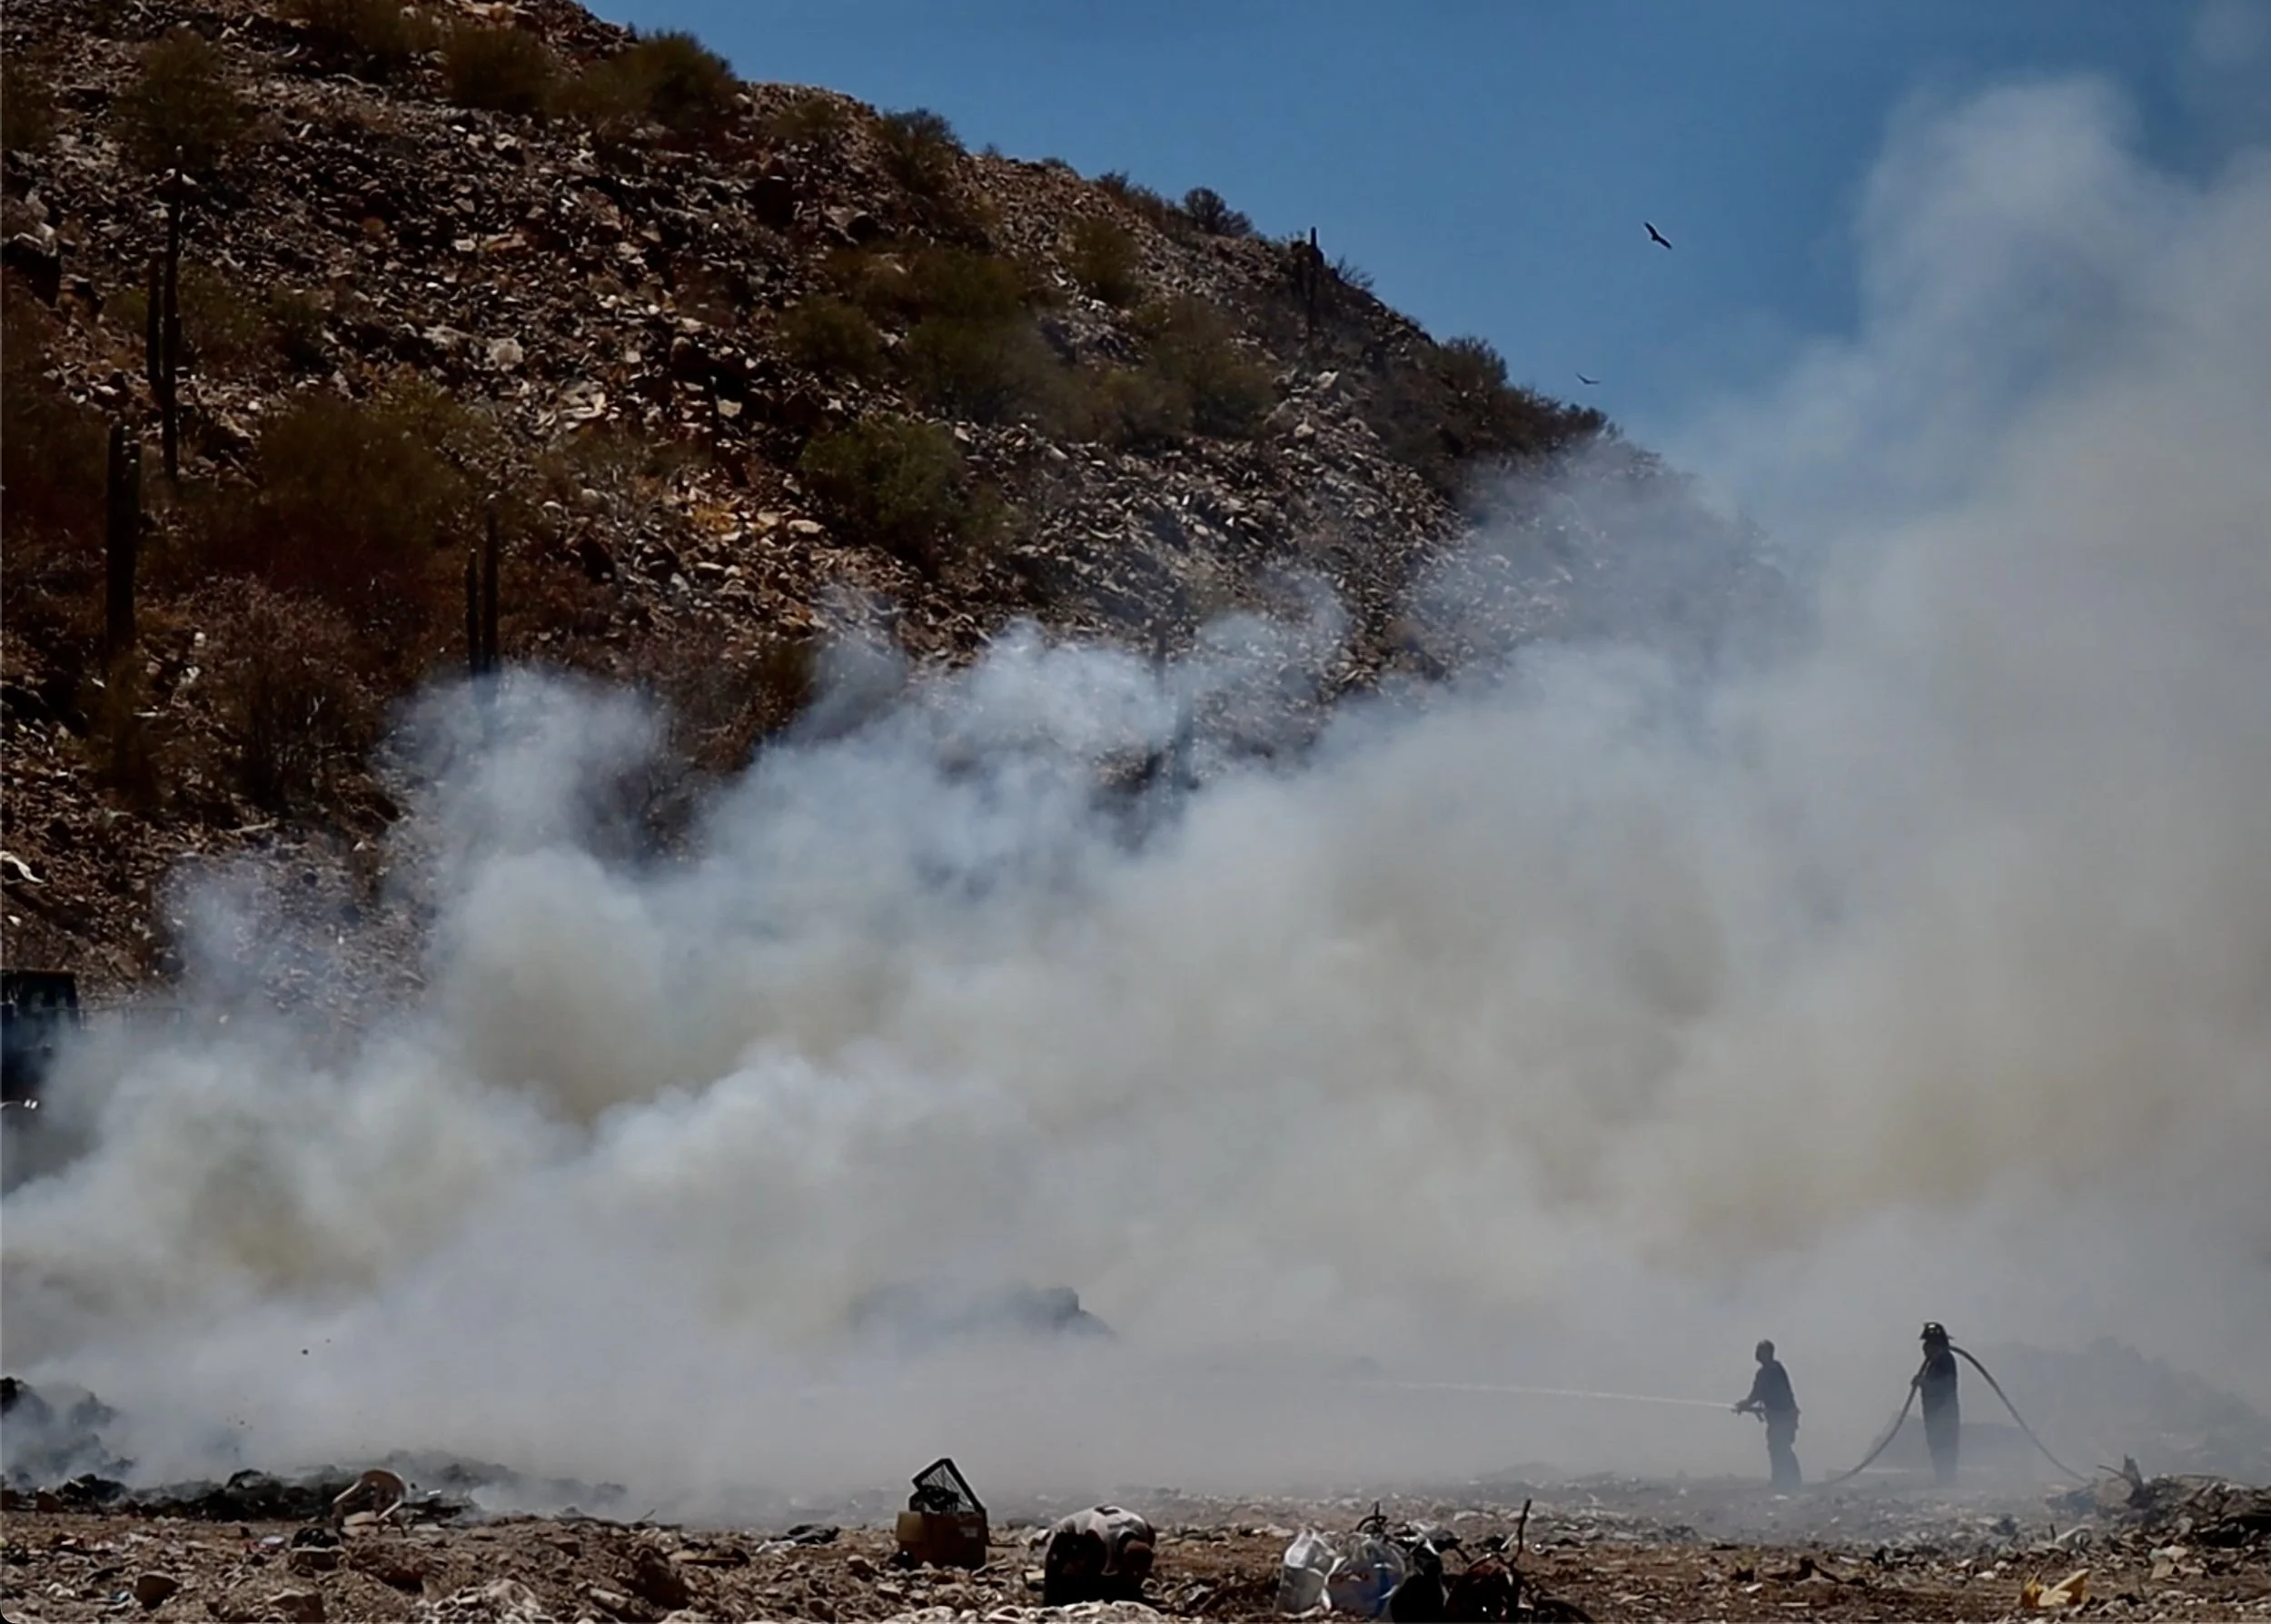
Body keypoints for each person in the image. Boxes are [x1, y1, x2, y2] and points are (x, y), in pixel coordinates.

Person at [1733, 1338, 1802, 1489]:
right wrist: (1746, 1404)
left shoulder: (1773, 1370)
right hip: (1779, 1417)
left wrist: (1746, 1405)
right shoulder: (1767, 1371)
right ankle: (1784, 1480)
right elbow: (1757, 1394)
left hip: (1783, 1416)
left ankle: (1788, 1481)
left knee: (1780, 1447)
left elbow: (1763, 1394)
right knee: (1778, 1447)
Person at [1914, 1321, 1960, 1485]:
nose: (1925, 1348)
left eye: (1929, 1344)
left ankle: (1946, 1479)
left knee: (1944, 1445)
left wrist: (1925, 1383)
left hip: (1944, 1413)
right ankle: (1942, 1478)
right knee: (1936, 1445)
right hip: (1934, 1413)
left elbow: (1946, 1385)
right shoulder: (1934, 1363)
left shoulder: (1945, 1360)